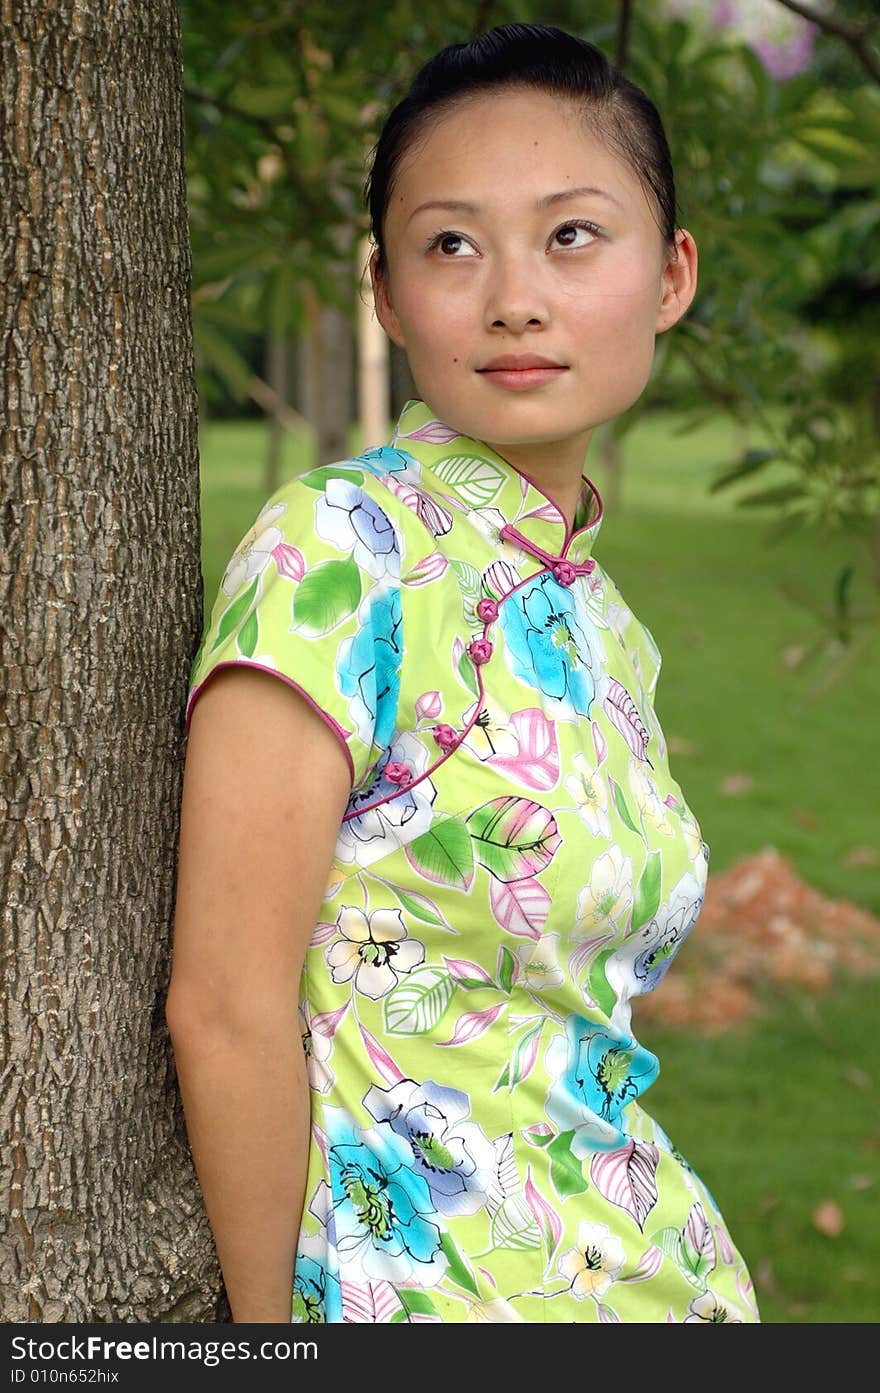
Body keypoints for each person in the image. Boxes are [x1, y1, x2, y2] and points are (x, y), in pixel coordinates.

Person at [166, 22, 760, 1324]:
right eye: (451, 243)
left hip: (648, 1273)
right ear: (383, 290)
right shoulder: (343, 552)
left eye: (571, 235)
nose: (513, 298)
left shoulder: (598, 616)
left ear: (671, 275)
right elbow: (222, 1004)